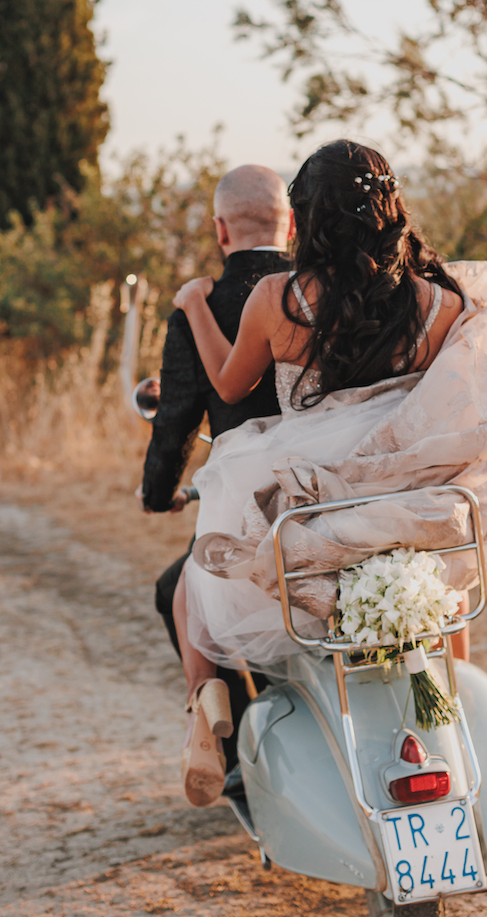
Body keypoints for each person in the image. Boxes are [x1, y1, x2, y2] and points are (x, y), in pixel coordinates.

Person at [171, 139, 487, 807]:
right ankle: (449, 700)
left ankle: (205, 704)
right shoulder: (445, 305)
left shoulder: (276, 298)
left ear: (307, 220)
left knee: (195, 584)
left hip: (314, 496)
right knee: (440, 574)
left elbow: (231, 389)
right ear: (391, 210)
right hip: (408, 497)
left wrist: (194, 306)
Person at [137, 164, 293, 773]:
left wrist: (157, 494)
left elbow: (173, 420)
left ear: (220, 228)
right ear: (292, 224)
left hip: (247, 514)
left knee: (180, 587)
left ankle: (227, 754)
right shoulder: (323, 294)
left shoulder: (202, 306)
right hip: (334, 500)